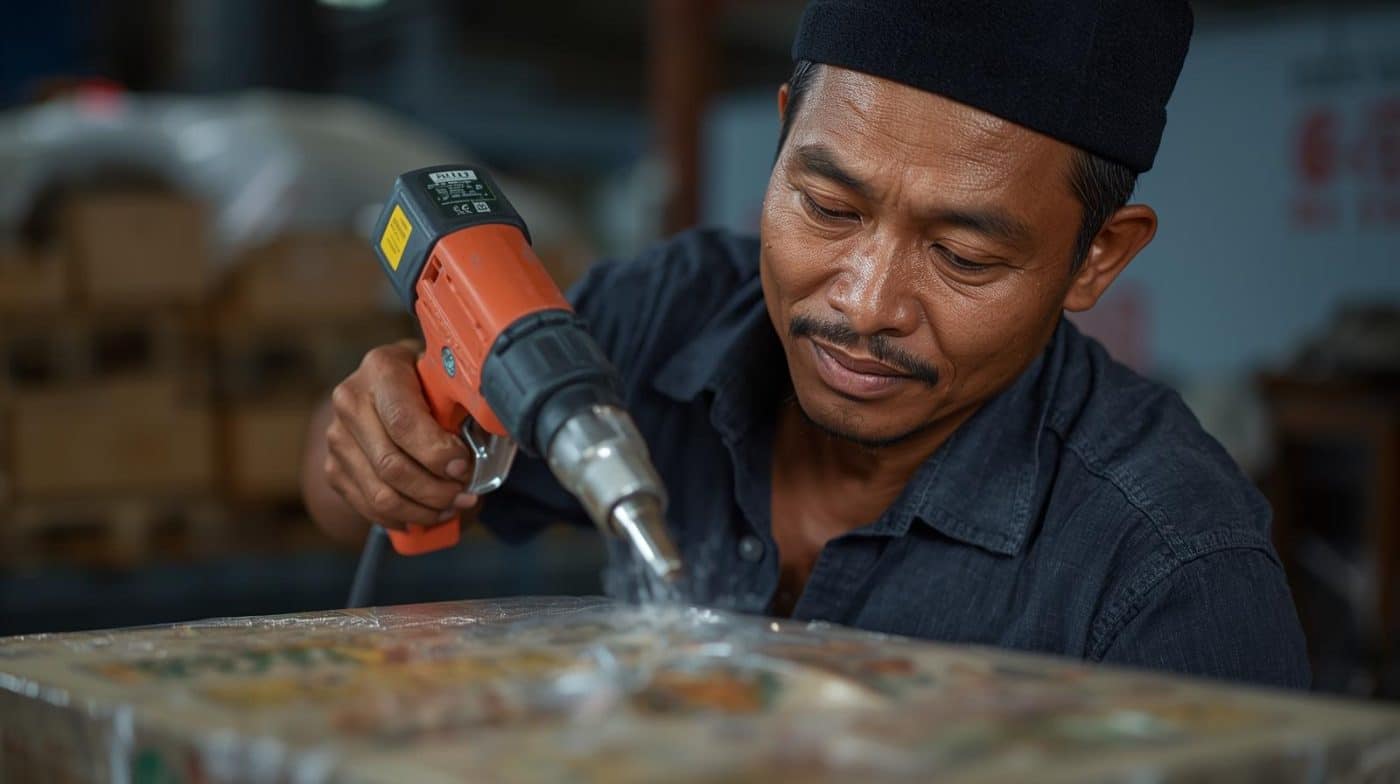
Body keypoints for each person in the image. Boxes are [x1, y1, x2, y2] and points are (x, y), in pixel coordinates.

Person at [303, 0, 1310, 688]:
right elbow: (334, 498)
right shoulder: (665, 311)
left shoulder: (1172, 578)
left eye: (961, 256)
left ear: (1095, 256)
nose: (865, 304)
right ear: (782, 136)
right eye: (827, 206)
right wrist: (374, 448)